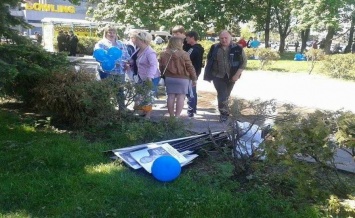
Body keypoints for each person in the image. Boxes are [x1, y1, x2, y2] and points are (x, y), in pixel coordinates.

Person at [204, 30, 248, 122]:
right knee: (222, 95)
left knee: (226, 95)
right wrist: (208, 72)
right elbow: (209, 60)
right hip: (218, 76)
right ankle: (224, 114)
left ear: (230, 37)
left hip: (232, 76)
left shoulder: (237, 48)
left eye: (226, 38)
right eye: (221, 38)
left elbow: (244, 62)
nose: (224, 40)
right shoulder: (215, 47)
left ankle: (225, 110)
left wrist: (237, 75)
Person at [159, 37, 197, 118]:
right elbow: (190, 67)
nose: (183, 44)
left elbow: (161, 66)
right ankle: (177, 117)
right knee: (181, 97)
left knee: (170, 96)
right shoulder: (184, 54)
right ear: (179, 44)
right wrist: (194, 78)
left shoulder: (163, 53)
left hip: (169, 78)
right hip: (183, 78)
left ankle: (171, 116)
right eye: (182, 42)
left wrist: (163, 75)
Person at [94, 26, 131, 111]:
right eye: (109, 32)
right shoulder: (101, 44)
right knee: (106, 91)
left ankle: (122, 110)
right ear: (106, 33)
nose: (112, 34)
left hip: (120, 71)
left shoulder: (121, 44)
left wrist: (128, 63)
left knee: (120, 91)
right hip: (107, 72)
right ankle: (106, 110)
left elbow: (127, 56)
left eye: (113, 32)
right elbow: (98, 57)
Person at [132, 31, 161, 119]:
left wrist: (150, 77)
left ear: (142, 40)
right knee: (140, 95)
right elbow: (135, 60)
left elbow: (154, 65)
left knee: (148, 96)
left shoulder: (150, 52)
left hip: (151, 77)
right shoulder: (139, 49)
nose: (134, 40)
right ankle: (142, 111)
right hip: (141, 76)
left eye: (136, 39)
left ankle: (148, 115)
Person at [185, 31, 205, 118]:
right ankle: (193, 109)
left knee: (190, 93)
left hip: (191, 73)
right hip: (195, 72)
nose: (186, 39)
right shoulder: (198, 48)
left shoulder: (193, 49)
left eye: (187, 38)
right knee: (192, 92)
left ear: (192, 37)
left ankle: (190, 111)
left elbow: (185, 58)